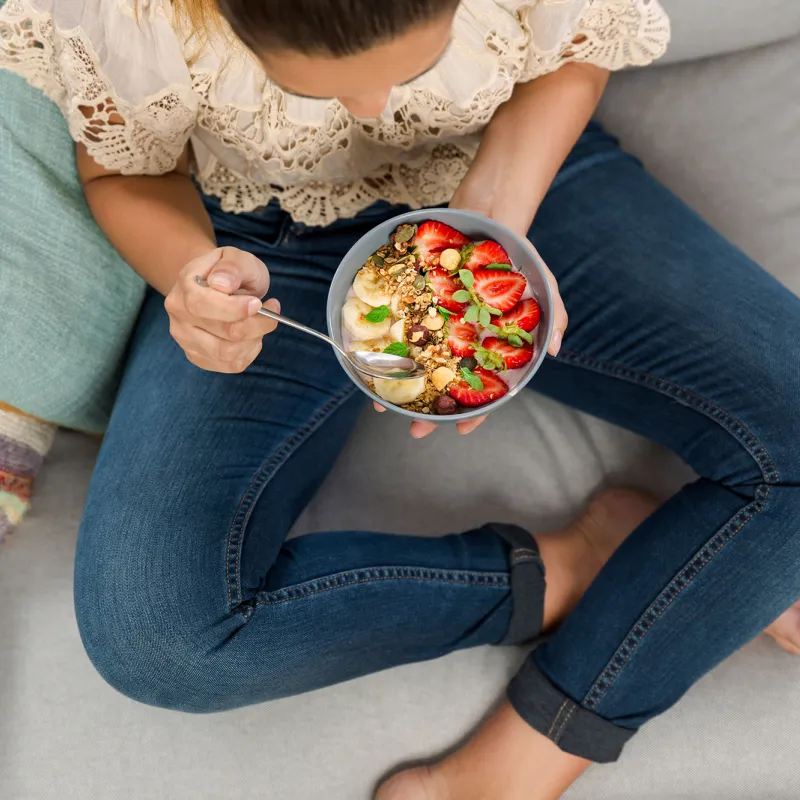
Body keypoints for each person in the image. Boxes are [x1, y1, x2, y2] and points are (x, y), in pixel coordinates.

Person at [2, 0, 798, 797]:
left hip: (515, 172)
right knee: (159, 639)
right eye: (326, 86)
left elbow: (575, 49)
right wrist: (192, 276)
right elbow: (124, 169)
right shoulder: (118, 13)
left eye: (408, 66)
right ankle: (591, 564)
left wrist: (494, 219)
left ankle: (527, 761)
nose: (372, 109)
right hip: (265, 242)